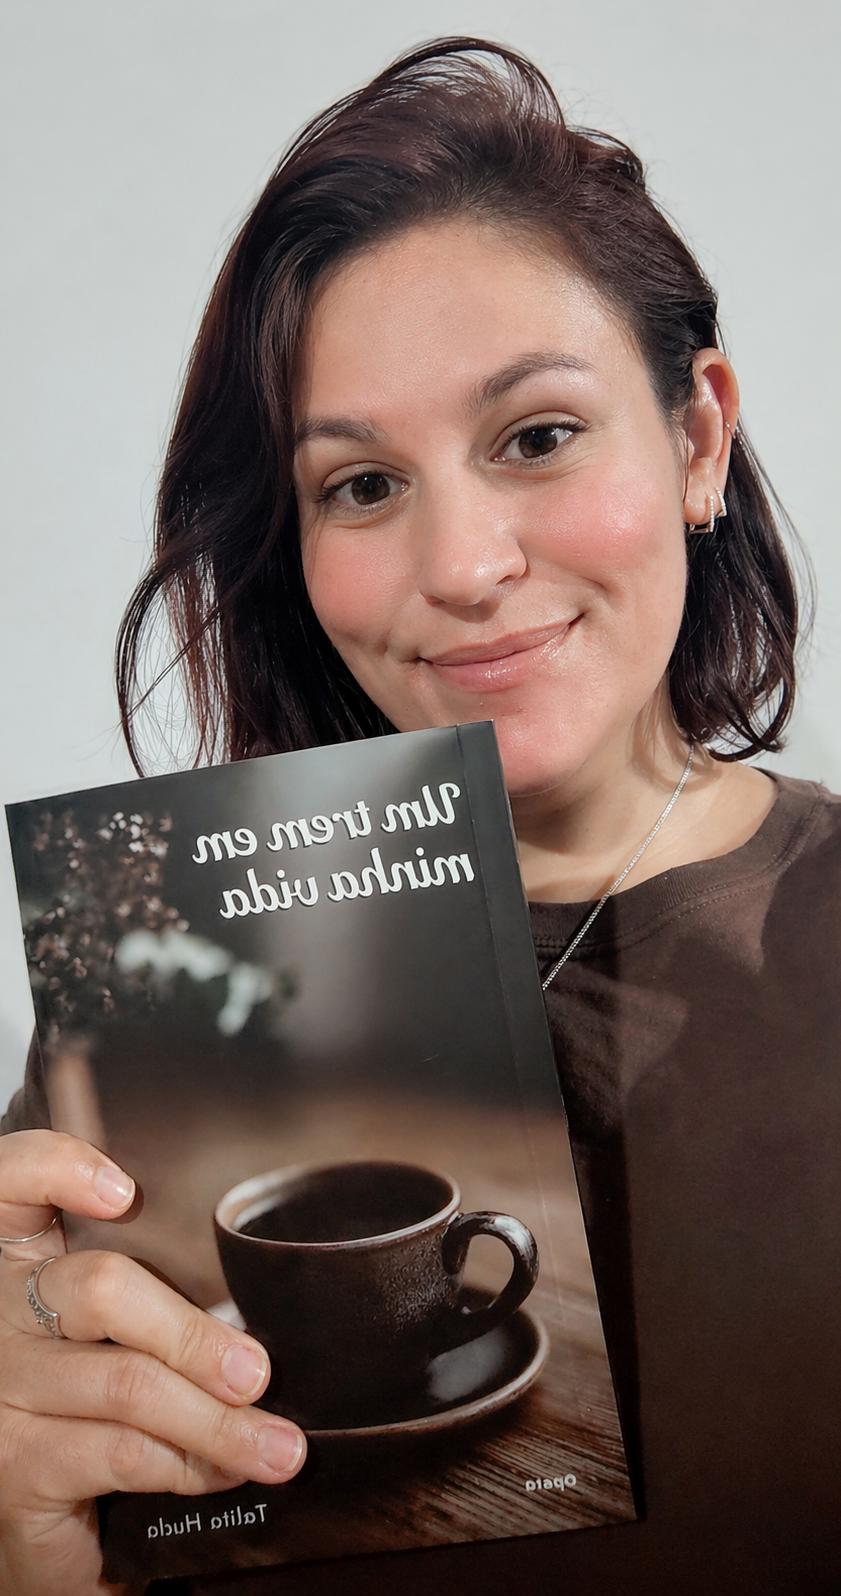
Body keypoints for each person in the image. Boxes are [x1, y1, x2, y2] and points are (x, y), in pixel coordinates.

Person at [2, 33, 840, 1596]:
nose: (461, 567)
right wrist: (35, 1549)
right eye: (361, 486)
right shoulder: (135, 1020)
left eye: (536, 436)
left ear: (696, 438)